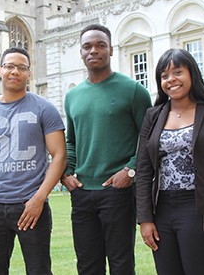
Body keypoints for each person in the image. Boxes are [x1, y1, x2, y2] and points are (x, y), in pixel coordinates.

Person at [135, 49, 204, 274]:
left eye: (177, 72)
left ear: (192, 74)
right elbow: (143, 170)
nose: (171, 80)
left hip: (197, 208)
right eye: (164, 75)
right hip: (161, 209)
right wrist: (145, 219)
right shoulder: (153, 115)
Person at [62, 24, 152, 274]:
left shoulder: (134, 91)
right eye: (87, 46)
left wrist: (131, 170)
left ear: (111, 50)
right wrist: (66, 174)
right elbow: (71, 141)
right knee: (87, 265)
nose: (94, 50)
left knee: (121, 264)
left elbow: (148, 140)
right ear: (80, 52)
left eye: (100, 45)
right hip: (81, 193)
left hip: (118, 191)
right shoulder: (73, 96)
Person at [0, 47, 67, 274]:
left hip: (30, 204)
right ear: (0, 70)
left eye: (22, 68)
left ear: (29, 74)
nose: (15, 72)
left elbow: (59, 155)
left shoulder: (45, 108)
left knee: (38, 270)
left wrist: (39, 199)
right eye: (10, 66)